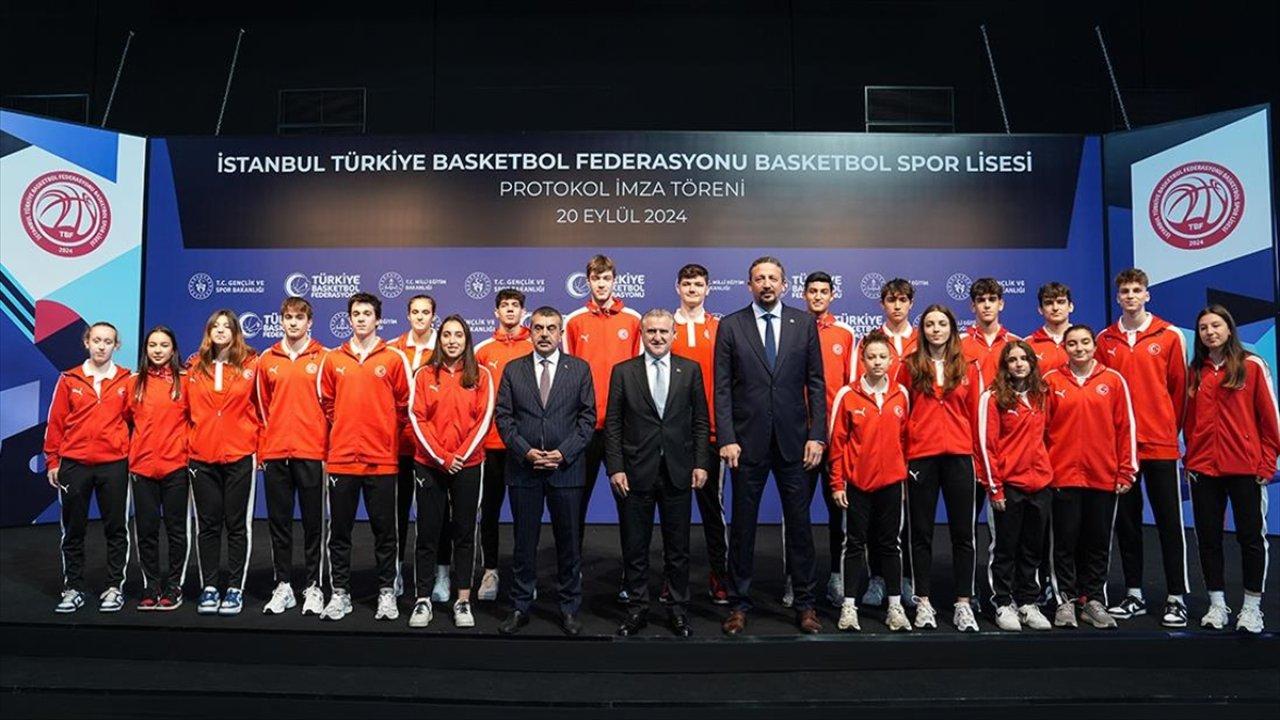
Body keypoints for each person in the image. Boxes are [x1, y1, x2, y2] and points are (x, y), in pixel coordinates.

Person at [716, 256, 826, 636]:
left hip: (795, 442)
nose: (766, 284)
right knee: (743, 528)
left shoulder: (803, 323)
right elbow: (722, 388)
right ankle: (739, 605)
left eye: (772, 278)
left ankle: (806, 604)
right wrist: (727, 438)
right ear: (749, 285)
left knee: (800, 527)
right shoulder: (731, 325)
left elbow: (816, 383)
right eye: (759, 278)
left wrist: (817, 434)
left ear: (784, 284)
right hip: (746, 444)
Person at [606, 309, 711, 637]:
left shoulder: (690, 370)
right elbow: (613, 424)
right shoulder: (623, 372)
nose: (657, 337)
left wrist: (700, 462)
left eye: (664, 331)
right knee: (635, 546)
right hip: (635, 471)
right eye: (651, 331)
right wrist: (615, 467)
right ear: (642, 333)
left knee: (678, 548)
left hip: (678, 471)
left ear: (673, 335)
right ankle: (637, 608)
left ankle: (678, 610)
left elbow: (700, 420)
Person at [1095, 268, 1190, 627]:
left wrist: (1166, 428)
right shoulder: (1105, 339)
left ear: (1147, 295)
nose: (1131, 296)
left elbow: (1179, 390)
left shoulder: (1169, 335)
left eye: (1137, 290)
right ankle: (1133, 593)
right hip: (1122, 450)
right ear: (1117, 297)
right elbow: (1104, 393)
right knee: (1127, 524)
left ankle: (1176, 597)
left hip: (1161, 445)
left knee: (1169, 523)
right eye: (1125, 291)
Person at [495, 307, 596, 636]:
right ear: (530, 332)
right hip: (524, 470)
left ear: (561, 333)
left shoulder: (579, 369)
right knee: (524, 543)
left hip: (567, 471)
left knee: (569, 543)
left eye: (551, 328)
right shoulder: (514, 369)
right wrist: (526, 452)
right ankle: (520, 606)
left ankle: (569, 608)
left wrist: (562, 454)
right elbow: (504, 418)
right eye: (538, 328)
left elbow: (587, 419)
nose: (544, 334)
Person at [1183, 305, 1279, 634]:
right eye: (1204, 328)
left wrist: (1267, 462)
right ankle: (1217, 604)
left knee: (1251, 538)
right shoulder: (1195, 371)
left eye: (1216, 325)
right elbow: (1190, 422)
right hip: (1203, 470)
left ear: (1229, 328)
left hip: (1245, 469)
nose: (1210, 332)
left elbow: (1270, 418)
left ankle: (1251, 608)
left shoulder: (1252, 365)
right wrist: (1191, 459)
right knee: (1208, 539)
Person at [317, 292, 411, 621]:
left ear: (378, 319)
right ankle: (340, 593)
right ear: (349, 319)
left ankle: (386, 592)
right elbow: (327, 403)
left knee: (385, 533)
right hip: (342, 460)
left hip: (381, 460)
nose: (361, 319)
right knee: (340, 533)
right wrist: (347, 428)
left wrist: (382, 433)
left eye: (367, 314)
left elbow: (404, 406)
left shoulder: (395, 358)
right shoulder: (333, 359)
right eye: (356, 314)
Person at [1044, 324, 1136, 629]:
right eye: (1072, 343)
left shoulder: (1113, 380)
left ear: (1094, 346)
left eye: (1085, 342)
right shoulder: (1051, 381)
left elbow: (1125, 428)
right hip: (1062, 477)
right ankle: (1065, 601)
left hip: (1102, 476)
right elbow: (1041, 431)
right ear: (1065, 348)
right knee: (1064, 543)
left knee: (1097, 542)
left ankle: (1093, 599)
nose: (1079, 348)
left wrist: (1126, 470)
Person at [407, 315, 495, 629]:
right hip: (430, 465)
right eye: (446, 335)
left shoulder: (481, 375)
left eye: (458, 335)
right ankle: (422, 599)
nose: (452, 340)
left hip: (468, 465)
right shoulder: (423, 374)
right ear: (439, 339)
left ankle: (462, 601)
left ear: (466, 339)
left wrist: (460, 456)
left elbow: (484, 419)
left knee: (464, 533)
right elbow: (416, 418)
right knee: (428, 533)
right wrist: (442, 457)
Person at [563, 255, 641, 601]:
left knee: (630, 505)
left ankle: (631, 577)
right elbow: (568, 376)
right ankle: (571, 571)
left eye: (606, 278)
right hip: (583, 429)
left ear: (614, 281)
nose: (601, 284)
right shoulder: (573, 321)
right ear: (588, 281)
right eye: (596, 279)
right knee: (574, 505)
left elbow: (638, 374)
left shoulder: (634, 320)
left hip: (622, 430)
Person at [901, 305, 984, 632]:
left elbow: (976, 416)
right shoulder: (909, 365)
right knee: (920, 532)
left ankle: (963, 603)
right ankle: (923, 601)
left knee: (964, 534)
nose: (936, 329)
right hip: (921, 457)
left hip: (960, 457)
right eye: (930, 324)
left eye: (942, 324)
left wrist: (978, 460)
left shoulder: (968, 366)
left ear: (952, 328)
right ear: (922, 330)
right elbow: (901, 413)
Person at [44, 322, 133, 614]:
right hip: (74, 465)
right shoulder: (69, 379)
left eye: (108, 341)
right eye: (97, 340)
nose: (101, 346)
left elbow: (135, 422)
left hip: (114, 465)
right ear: (87, 342)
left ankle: (114, 587)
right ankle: (73, 588)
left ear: (116, 346)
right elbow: (56, 422)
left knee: (116, 529)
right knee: (73, 530)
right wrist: (53, 460)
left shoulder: (127, 380)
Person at [828, 331, 912, 632]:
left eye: (882, 357)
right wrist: (838, 483)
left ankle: (894, 607)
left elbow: (905, 441)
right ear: (862, 360)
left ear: (891, 360)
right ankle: (849, 607)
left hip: (891, 484)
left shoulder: (901, 394)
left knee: (890, 545)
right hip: (857, 485)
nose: (877, 362)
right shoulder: (847, 395)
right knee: (854, 544)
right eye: (871, 357)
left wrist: (903, 479)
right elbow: (837, 443)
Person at [255, 297, 328, 616]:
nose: (294, 322)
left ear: (310, 322)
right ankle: (283, 584)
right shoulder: (267, 359)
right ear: (281, 321)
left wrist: (324, 445)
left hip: (312, 452)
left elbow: (331, 407)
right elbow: (262, 407)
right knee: (279, 524)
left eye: (299, 317)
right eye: (288, 317)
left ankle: (313, 586)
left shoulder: (324, 357)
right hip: (276, 453)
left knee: (313, 524)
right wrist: (267, 445)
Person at [185, 310, 261, 616]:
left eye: (226, 326)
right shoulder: (193, 366)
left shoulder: (252, 365)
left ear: (235, 332)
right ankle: (210, 586)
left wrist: (259, 449)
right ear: (208, 332)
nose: (220, 330)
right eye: (215, 326)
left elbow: (263, 409)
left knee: (237, 525)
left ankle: (234, 588)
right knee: (208, 525)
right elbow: (183, 411)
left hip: (240, 455)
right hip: (201, 457)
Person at [976, 341, 1054, 631]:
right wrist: (994, 487)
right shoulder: (993, 397)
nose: (1019, 364)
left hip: (1040, 484)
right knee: (1005, 548)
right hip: (1008, 485)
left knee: (1033, 548)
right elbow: (985, 445)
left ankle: (1028, 602)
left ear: (1032, 363)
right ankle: (1002, 602)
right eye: (1012, 359)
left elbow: (1051, 436)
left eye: (1024, 358)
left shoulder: (1042, 395)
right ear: (1004, 366)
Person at [670, 263, 730, 605]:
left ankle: (719, 574)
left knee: (712, 508)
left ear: (708, 289)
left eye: (698, 284)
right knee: (673, 511)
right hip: (672, 436)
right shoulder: (664, 327)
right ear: (678, 288)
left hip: (709, 435)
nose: (692, 289)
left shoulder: (719, 328)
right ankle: (672, 579)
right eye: (687, 283)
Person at [856, 277, 917, 607]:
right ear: (882, 304)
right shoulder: (869, 341)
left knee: (906, 518)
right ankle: (877, 578)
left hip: (912, 438)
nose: (897, 305)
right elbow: (856, 387)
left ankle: (905, 579)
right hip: (873, 439)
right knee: (872, 522)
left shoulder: (922, 339)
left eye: (902, 299)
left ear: (910, 304)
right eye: (891, 300)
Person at [473, 288, 534, 601]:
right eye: (505, 305)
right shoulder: (483, 351)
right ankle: (490, 571)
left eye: (515, 305)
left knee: (526, 514)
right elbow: (473, 397)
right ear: (496, 312)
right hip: (491, 446)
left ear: (523, 312)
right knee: (490, 512)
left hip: (525, 446)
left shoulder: (535, 345)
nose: (510, 310)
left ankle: (526, 574)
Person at [800, 271, 855, 608]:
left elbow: (852, 387)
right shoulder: (793, 328)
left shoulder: (845, 334)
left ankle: (838, 576)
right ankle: (796, 578)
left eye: (824, 291)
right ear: (804, 295)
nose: (818, 296)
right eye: (812, 291)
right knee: (797, 513)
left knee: (840, 512)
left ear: (833, 295)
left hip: (837, 439)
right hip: (801, 437)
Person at [126, 326, 190, 611]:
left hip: (176, 466)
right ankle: (151, 585)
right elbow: (124, 421)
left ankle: (174, 585)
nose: (158, 350)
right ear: (145, 349)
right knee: (147, 530)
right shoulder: (134, 382)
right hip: (142, 468)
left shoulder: (185, 381)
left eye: (164, 345)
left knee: (176, 530)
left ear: (173, 349)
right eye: (153, 345)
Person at [388, 294, 447, 601]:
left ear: (433, 316)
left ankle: (441, 574)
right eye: (415, 312)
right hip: (399, 445)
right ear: (408, 315)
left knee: (436, 517)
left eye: (426, 312)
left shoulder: (446, 348)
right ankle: (396, 572)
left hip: (434, 447)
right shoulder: (392, 349)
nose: (421, 317)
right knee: (397, 513)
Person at [1025, 282, 1073, 376]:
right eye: (1049, 303)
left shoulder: (1084, 342)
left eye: (1060, 302)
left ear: (1070, 307)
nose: (1055, 308)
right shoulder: (1028, 344)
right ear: (1040, 309)